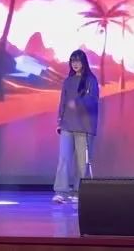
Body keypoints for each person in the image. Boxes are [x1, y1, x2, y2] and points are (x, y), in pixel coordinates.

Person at [53, 49, 99, 204]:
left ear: (84, 62)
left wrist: (78, 103)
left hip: (84, 128)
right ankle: (61, 191)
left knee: (82, 163)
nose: (75, 64)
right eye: (73, 61)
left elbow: (93, 101)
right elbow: (62, 102)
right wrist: (60, 121)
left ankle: (80, 192)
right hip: (67, 126)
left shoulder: (91, 80)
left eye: (78, 60)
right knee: (64, 159)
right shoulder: (68, 81)